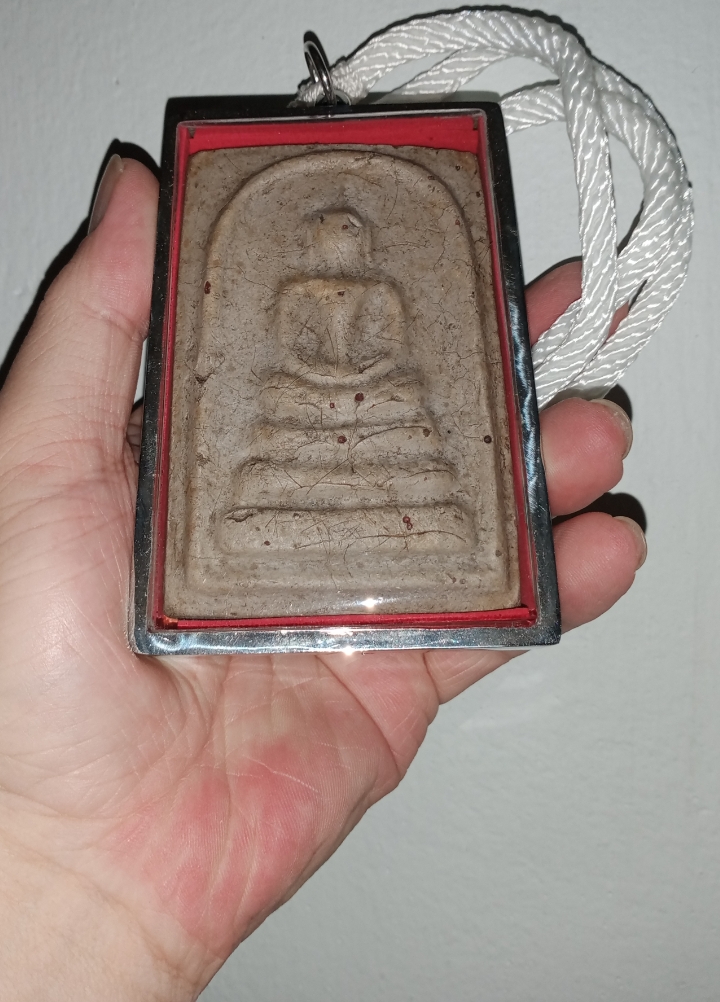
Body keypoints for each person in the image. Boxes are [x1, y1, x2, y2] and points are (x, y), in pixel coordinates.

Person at [0, 156, 643, 999]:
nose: (341, 244)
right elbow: (294, 354)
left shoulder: (382, 294)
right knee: (289, 418)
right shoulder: (297, 292)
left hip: (379, 401)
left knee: (401, 415)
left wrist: (364, 380)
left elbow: (387, 353)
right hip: (298, 401)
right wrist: (39, 847)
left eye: (352, 233)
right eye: (330, 232)